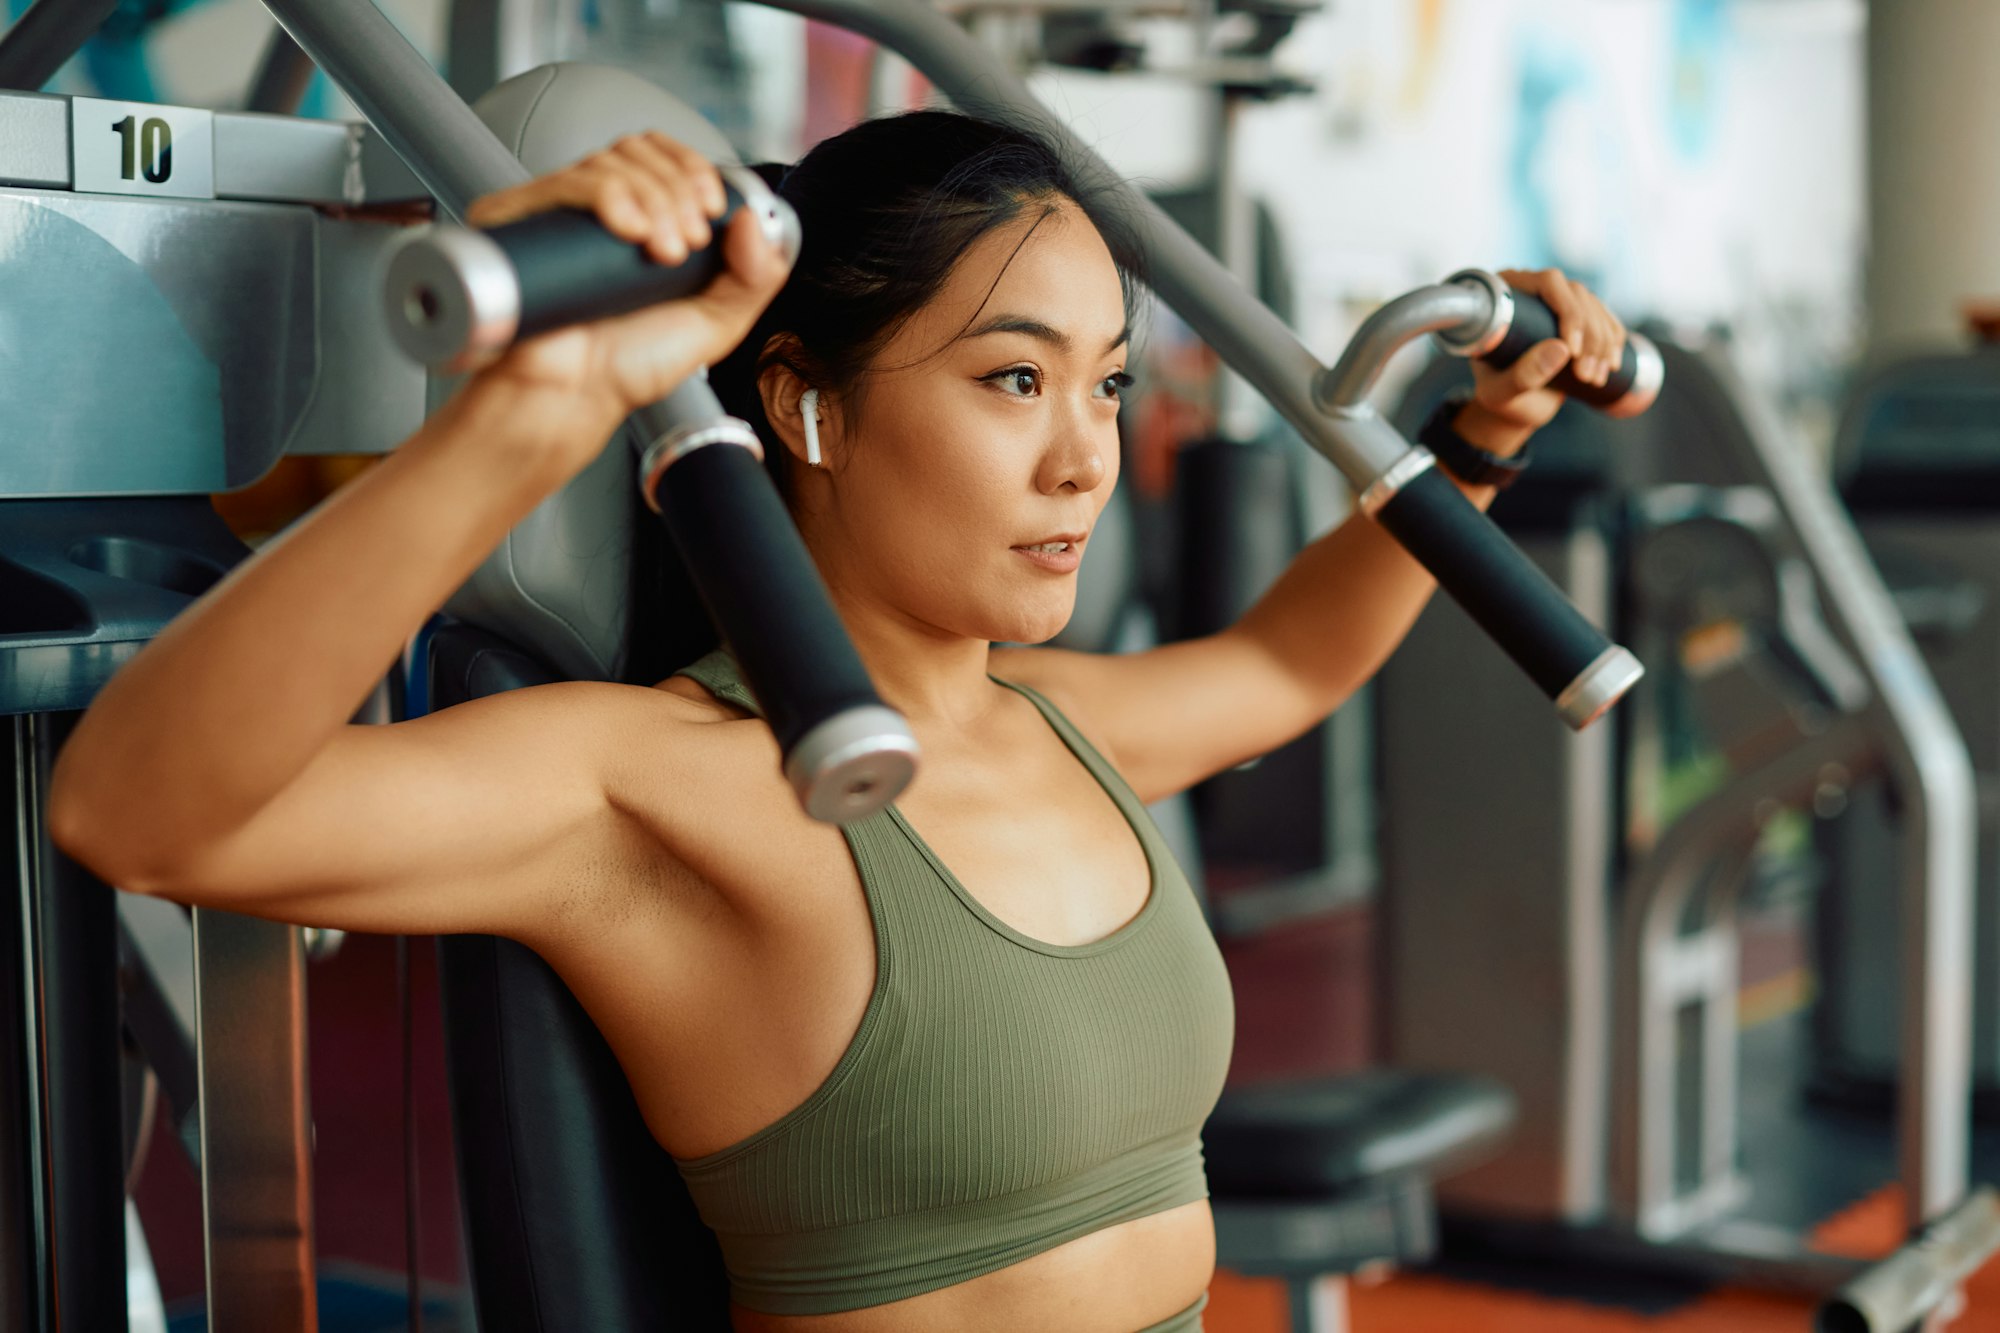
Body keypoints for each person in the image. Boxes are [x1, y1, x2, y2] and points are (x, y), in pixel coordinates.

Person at [48, 109, 1626, 1332]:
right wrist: (533, 411)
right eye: (1016, 380)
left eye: (1108, 385)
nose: (1085, 458)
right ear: (803, 404)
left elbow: (1290, 663)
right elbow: (143, 811)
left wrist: (1479, 437)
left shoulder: (1063, 725)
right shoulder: (668, 784)